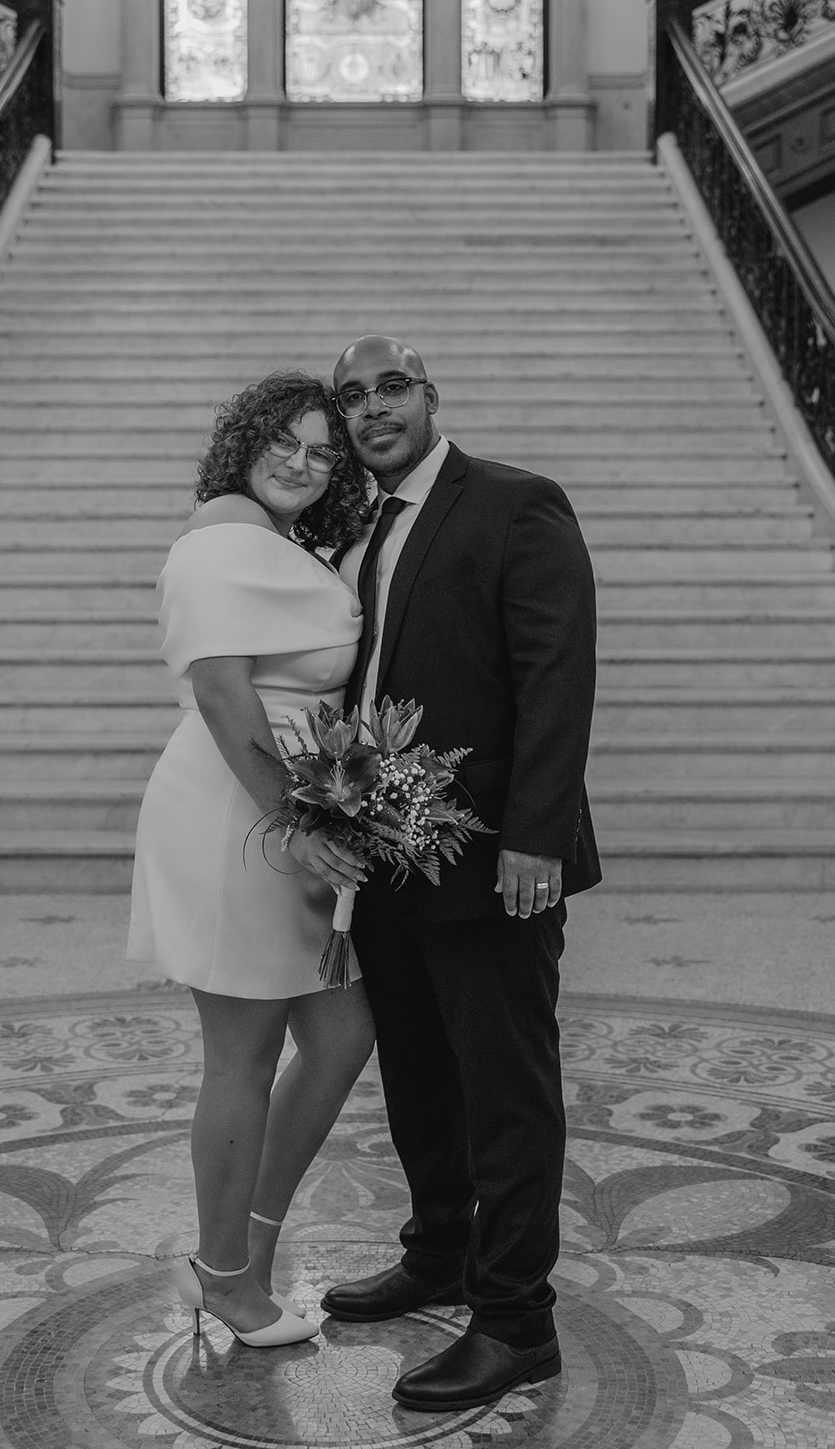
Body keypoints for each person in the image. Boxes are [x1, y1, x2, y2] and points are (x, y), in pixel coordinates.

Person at [320, 335, 601, 1410]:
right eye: (351, 397)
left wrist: (533, 831)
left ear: (431, 394)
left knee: (504, 1088)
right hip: (388, 856)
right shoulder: (355, 526)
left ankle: (515, 1322)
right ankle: (436, 1249)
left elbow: (555, 673)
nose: (371, 409)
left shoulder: (513, 503)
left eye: (390, 386)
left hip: (493, 859)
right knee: (420, 1076)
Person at [127, 370, 375, 1348]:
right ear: (245, 440)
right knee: (241, 1052)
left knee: (342, 1032)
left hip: (284, 807)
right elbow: (228, 697)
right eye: (285, 440)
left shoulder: (269, 540)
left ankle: (244, 1250)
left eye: (323, 451)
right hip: (239, 811)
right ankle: (222, 1274)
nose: (303, 463)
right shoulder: (221, 537)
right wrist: (295, 820)